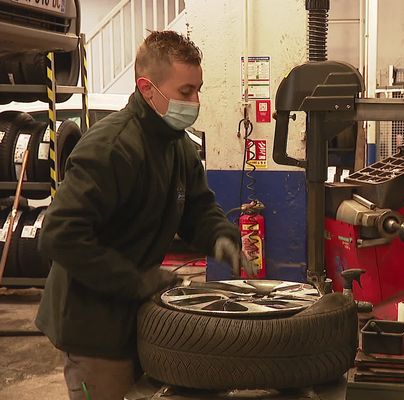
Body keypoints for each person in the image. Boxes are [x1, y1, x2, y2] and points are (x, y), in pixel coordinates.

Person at [35, 30, 255, 400]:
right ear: (147, 87)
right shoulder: (111, 148)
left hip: (140, 314)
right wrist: (140, 280)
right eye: (186, 92)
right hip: (93, 325)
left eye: (198, 89)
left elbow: (198, 207)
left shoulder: (177, 145)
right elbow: (60, 236)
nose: (195, 101)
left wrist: (220, 236)